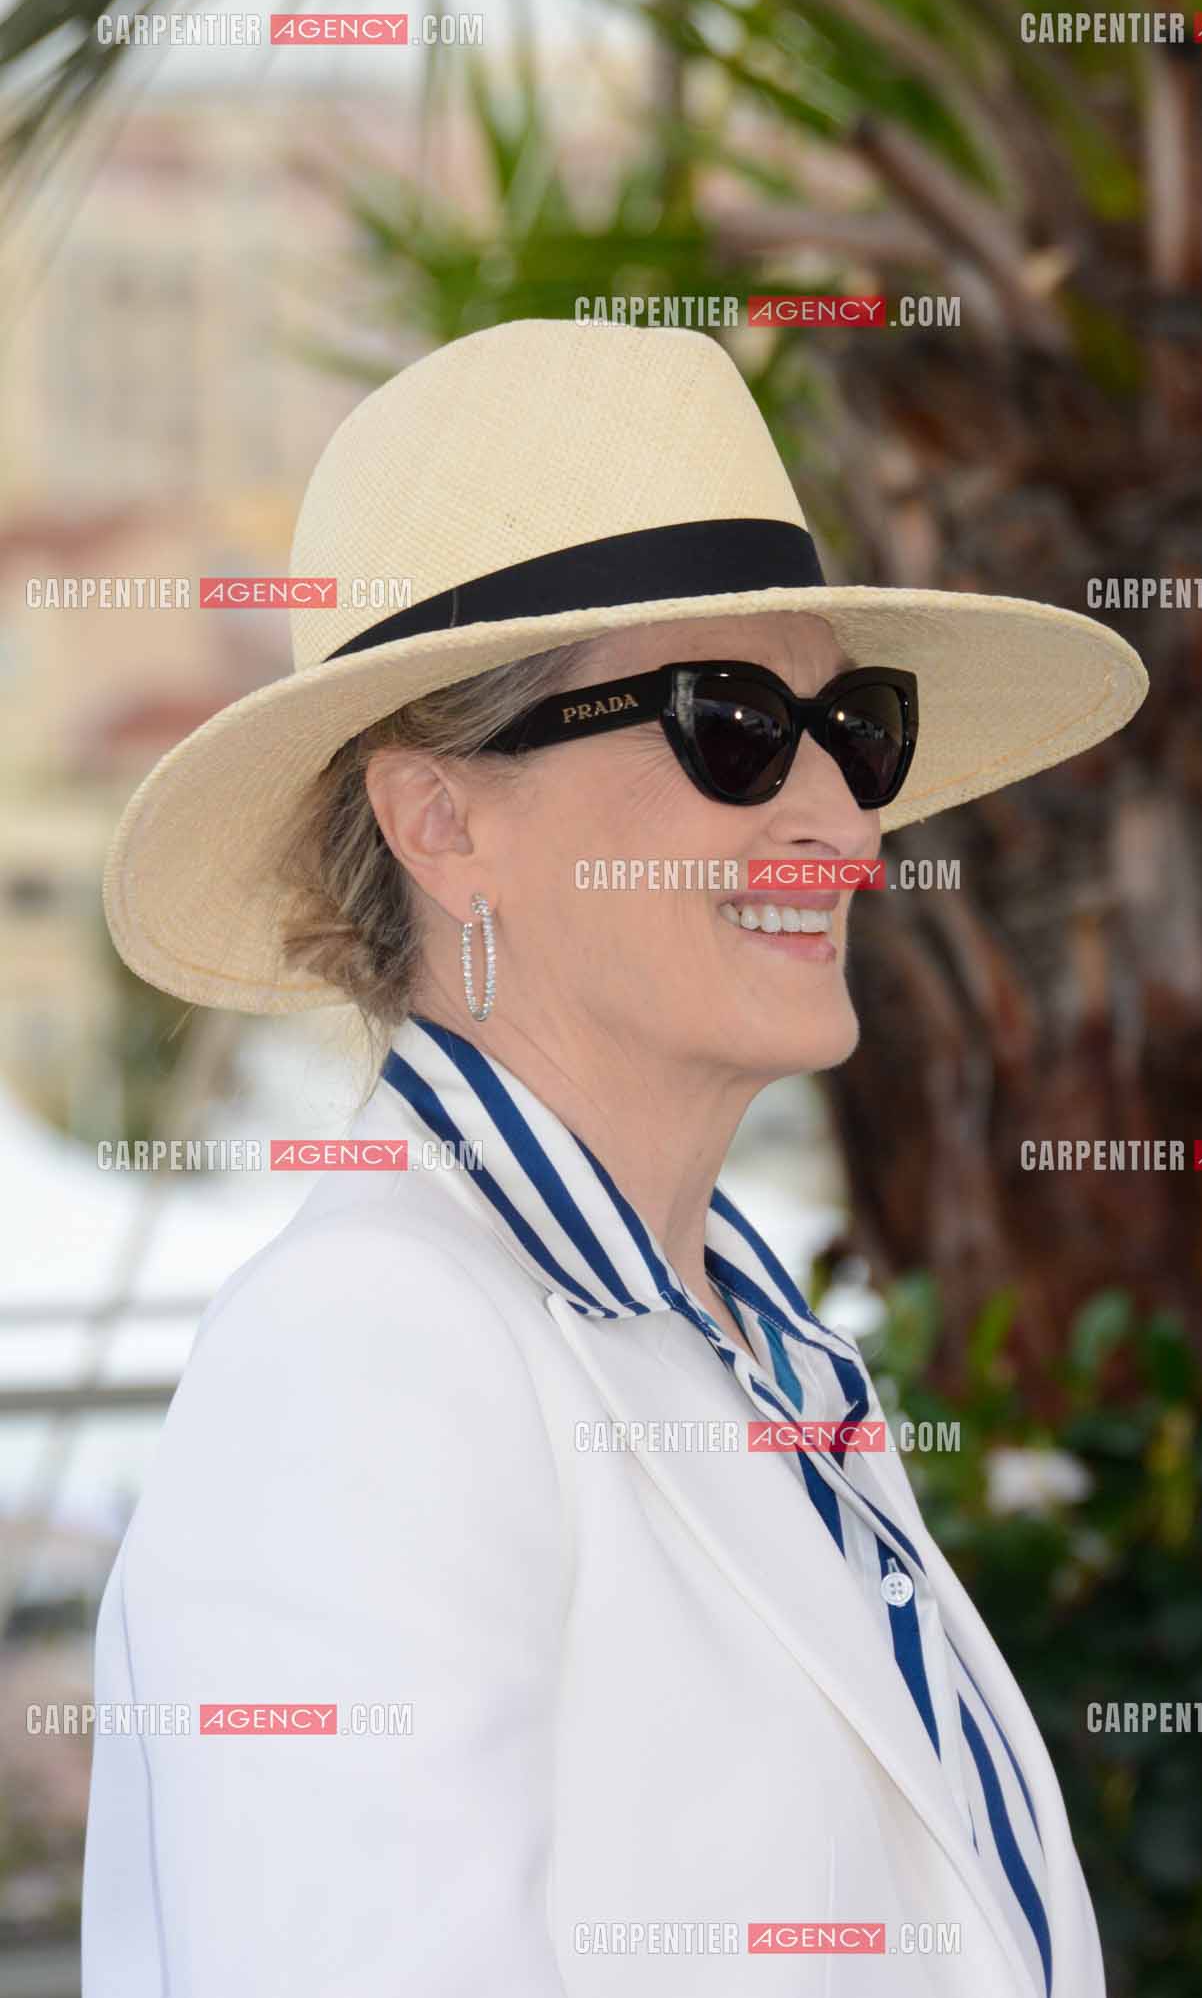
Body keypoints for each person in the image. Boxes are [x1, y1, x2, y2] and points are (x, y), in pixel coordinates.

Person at [83, 318, 1147, 1995]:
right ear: (444, 821)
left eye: (855, 723)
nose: (841, 815)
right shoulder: (367, 1351)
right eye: (732, 721)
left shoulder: (737, 1334)